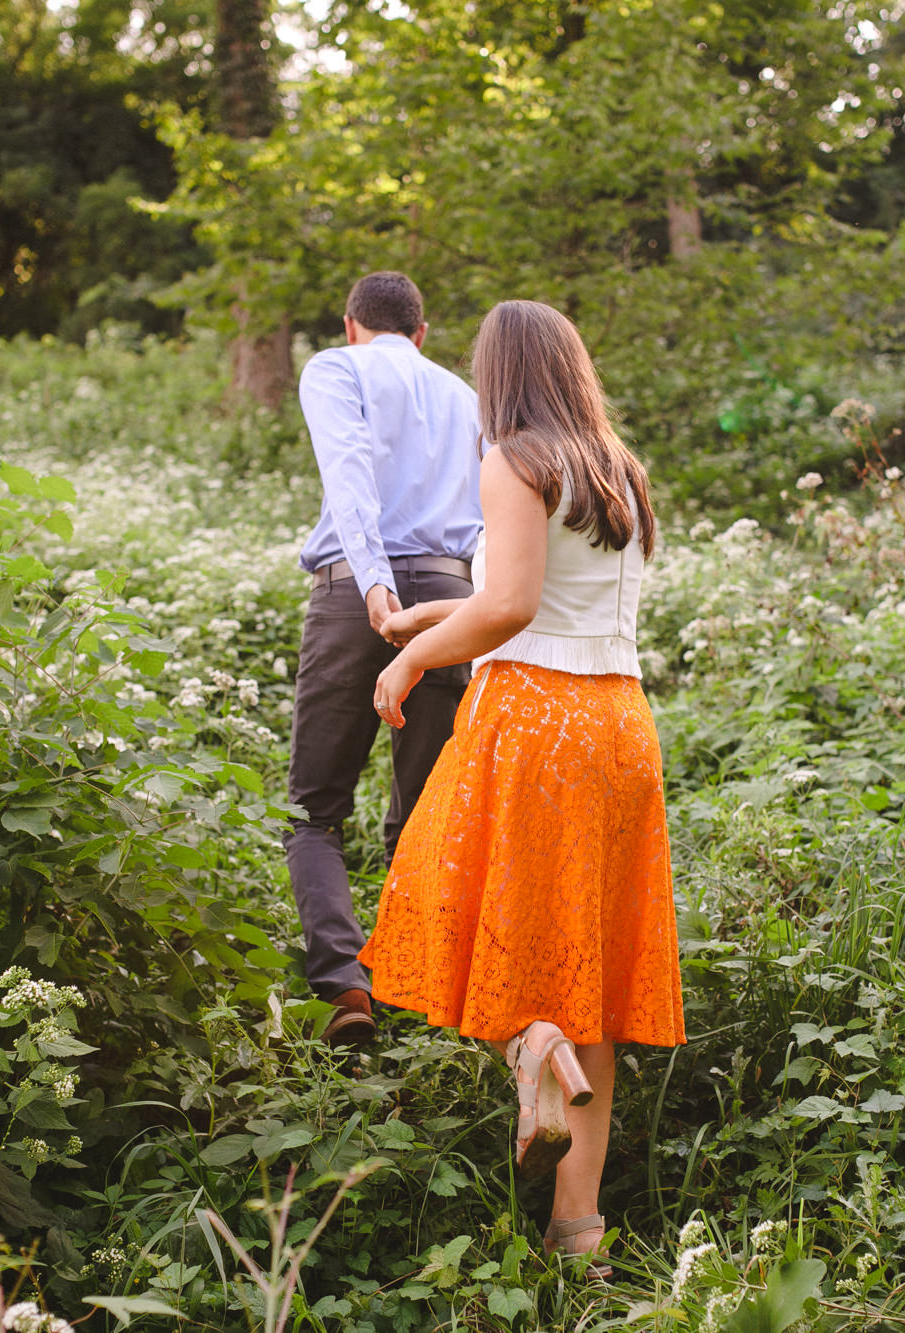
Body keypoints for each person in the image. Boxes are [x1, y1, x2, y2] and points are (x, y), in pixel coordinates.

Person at [359, 299, 685, 1277]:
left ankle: (526, 1048)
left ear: (499, 375)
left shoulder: (512, 458)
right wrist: (436, 612)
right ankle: (576, 1232)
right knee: (591, 971)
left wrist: (414, 659)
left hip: (535, 720)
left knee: (443, 898)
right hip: (620, 726)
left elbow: (509, 608)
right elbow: (546, 596)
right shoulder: (614, 468)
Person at [287, 271, 483, 1048]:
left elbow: (350, 479)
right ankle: (420, 989)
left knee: (314, 810)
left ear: (350, 326)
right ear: (422, 332)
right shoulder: (464, 396)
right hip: (449, 592)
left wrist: (372, 585)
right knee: (426, 808)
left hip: (349, 594)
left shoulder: (335, 369)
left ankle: (346, 984)